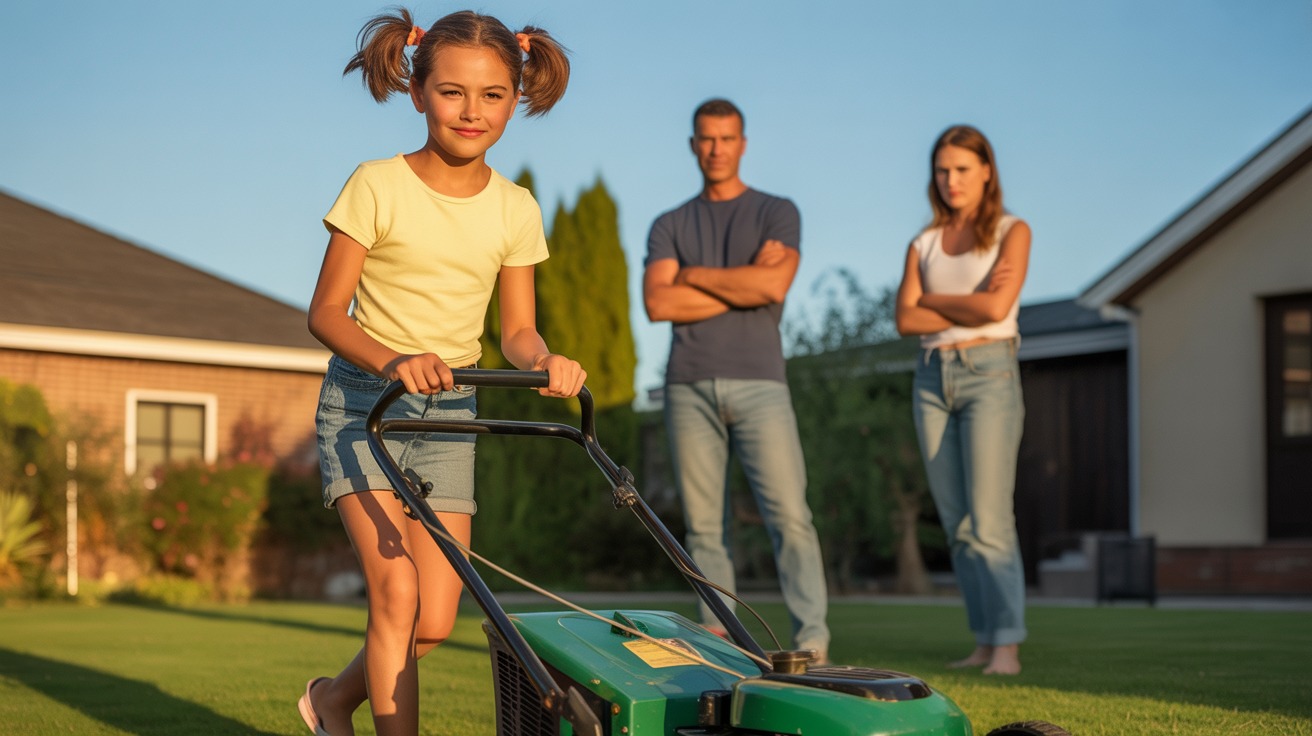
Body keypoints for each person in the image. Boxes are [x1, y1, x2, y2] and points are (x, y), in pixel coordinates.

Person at [299, 8, 585, 735]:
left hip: (452, 414)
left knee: (433, 617)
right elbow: (326, 312)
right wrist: (393, 360)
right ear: (417, 89)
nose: (471, 111)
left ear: (515, 99)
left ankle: (332, 700)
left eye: (492, 95)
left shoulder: (516, 208)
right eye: (452, 92)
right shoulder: (377, 185)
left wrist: (544, 360)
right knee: (396, 594)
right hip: (364, 406)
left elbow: (516, 331)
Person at [643, 98, 830, 662]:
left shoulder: (777, 212)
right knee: (703, 529)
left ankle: (813, 640)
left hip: (761, 384)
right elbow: (658, 303)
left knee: (791, 517)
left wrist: (693, 276)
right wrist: (742, 282)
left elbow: (771, 288)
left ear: (742, 144)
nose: (716, 149)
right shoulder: (670, 223)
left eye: (727, 138)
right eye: (707, 138)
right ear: (693, 144)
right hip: (688, 385)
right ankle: (718, 640)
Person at [895, 125, 1032, 675]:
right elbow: (906, 318)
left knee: (990, 519)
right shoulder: (924, 242)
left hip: (989, 372)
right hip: (931, 379)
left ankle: (1007, 647)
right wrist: (966, 301)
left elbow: (997, 308)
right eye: (942, 170)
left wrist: (931, 298)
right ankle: (983, 640)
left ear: (987, 171)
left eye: (962, 169)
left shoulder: (1011, 231)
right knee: (957, 524)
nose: (950, 180)